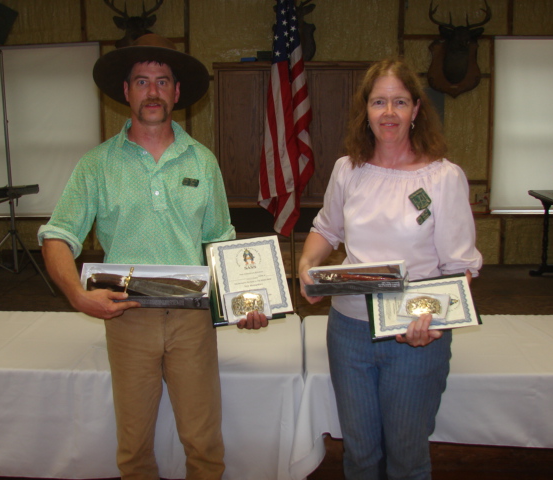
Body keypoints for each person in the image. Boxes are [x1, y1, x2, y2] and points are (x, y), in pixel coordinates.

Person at [38, 34, 267, 480]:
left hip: (193, 319)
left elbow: (221, 241)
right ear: (126, 91)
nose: (153, 91)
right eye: (142, 81)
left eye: (163, 81)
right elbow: (57, 236)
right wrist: (77, 296)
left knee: (203, 442)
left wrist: (246, 301)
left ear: (177, 93)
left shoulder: (202, 162)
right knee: (134, 446)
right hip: (126, 316)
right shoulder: (97, 166)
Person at [298, 58, 483, 480]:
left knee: (407, 458)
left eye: (399, 102)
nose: (388, 113)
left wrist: (430, 317)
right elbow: (326, 229)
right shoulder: (349, 170)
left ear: (416, 109)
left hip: (414, 335)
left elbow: (459, 268)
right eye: (379, 102)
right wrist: (308, 264)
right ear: (366, 110)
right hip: (348, 332)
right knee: (359, 456)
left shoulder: (443, 178)